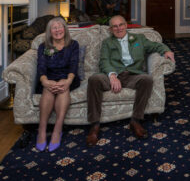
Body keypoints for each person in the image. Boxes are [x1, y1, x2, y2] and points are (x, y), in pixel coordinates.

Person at [86, 15, 175, 146]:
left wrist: (166, 51)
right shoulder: (107, 42)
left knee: (147, 79)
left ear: (126, 26)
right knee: (94, 79)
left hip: (132, 75)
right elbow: (104, 61)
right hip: (113, 75)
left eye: (121, 25)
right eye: (114, 26)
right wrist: (112, 76)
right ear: (111, 29)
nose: (118, 28)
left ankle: (136, 120)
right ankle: (94, 125)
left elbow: (156, 46)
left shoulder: (139, 39)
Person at [35, 17, 81, 152]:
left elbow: (74, 64)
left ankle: (57, 129)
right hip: (48, 78)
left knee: (62, 87)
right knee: (48, 89)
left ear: (65, 29)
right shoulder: (43, 47)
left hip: (68, 78)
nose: (57, 30)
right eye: (54, 28)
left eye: (60, 27)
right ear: (50, 31)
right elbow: (41, 66)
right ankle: (42, 130)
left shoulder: (73, 44)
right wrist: (44, 81)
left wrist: (68, 80)